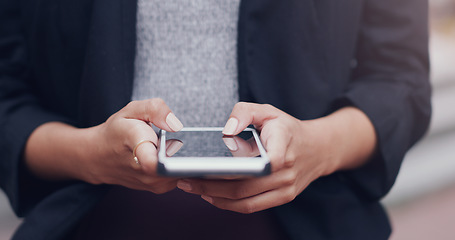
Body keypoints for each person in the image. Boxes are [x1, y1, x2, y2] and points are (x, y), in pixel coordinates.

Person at [0, 0, 431, 239]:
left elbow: (400, 83)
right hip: (93, 225)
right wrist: (89, 155)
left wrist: (317, 147)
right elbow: (7, 99)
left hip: (315, 224)